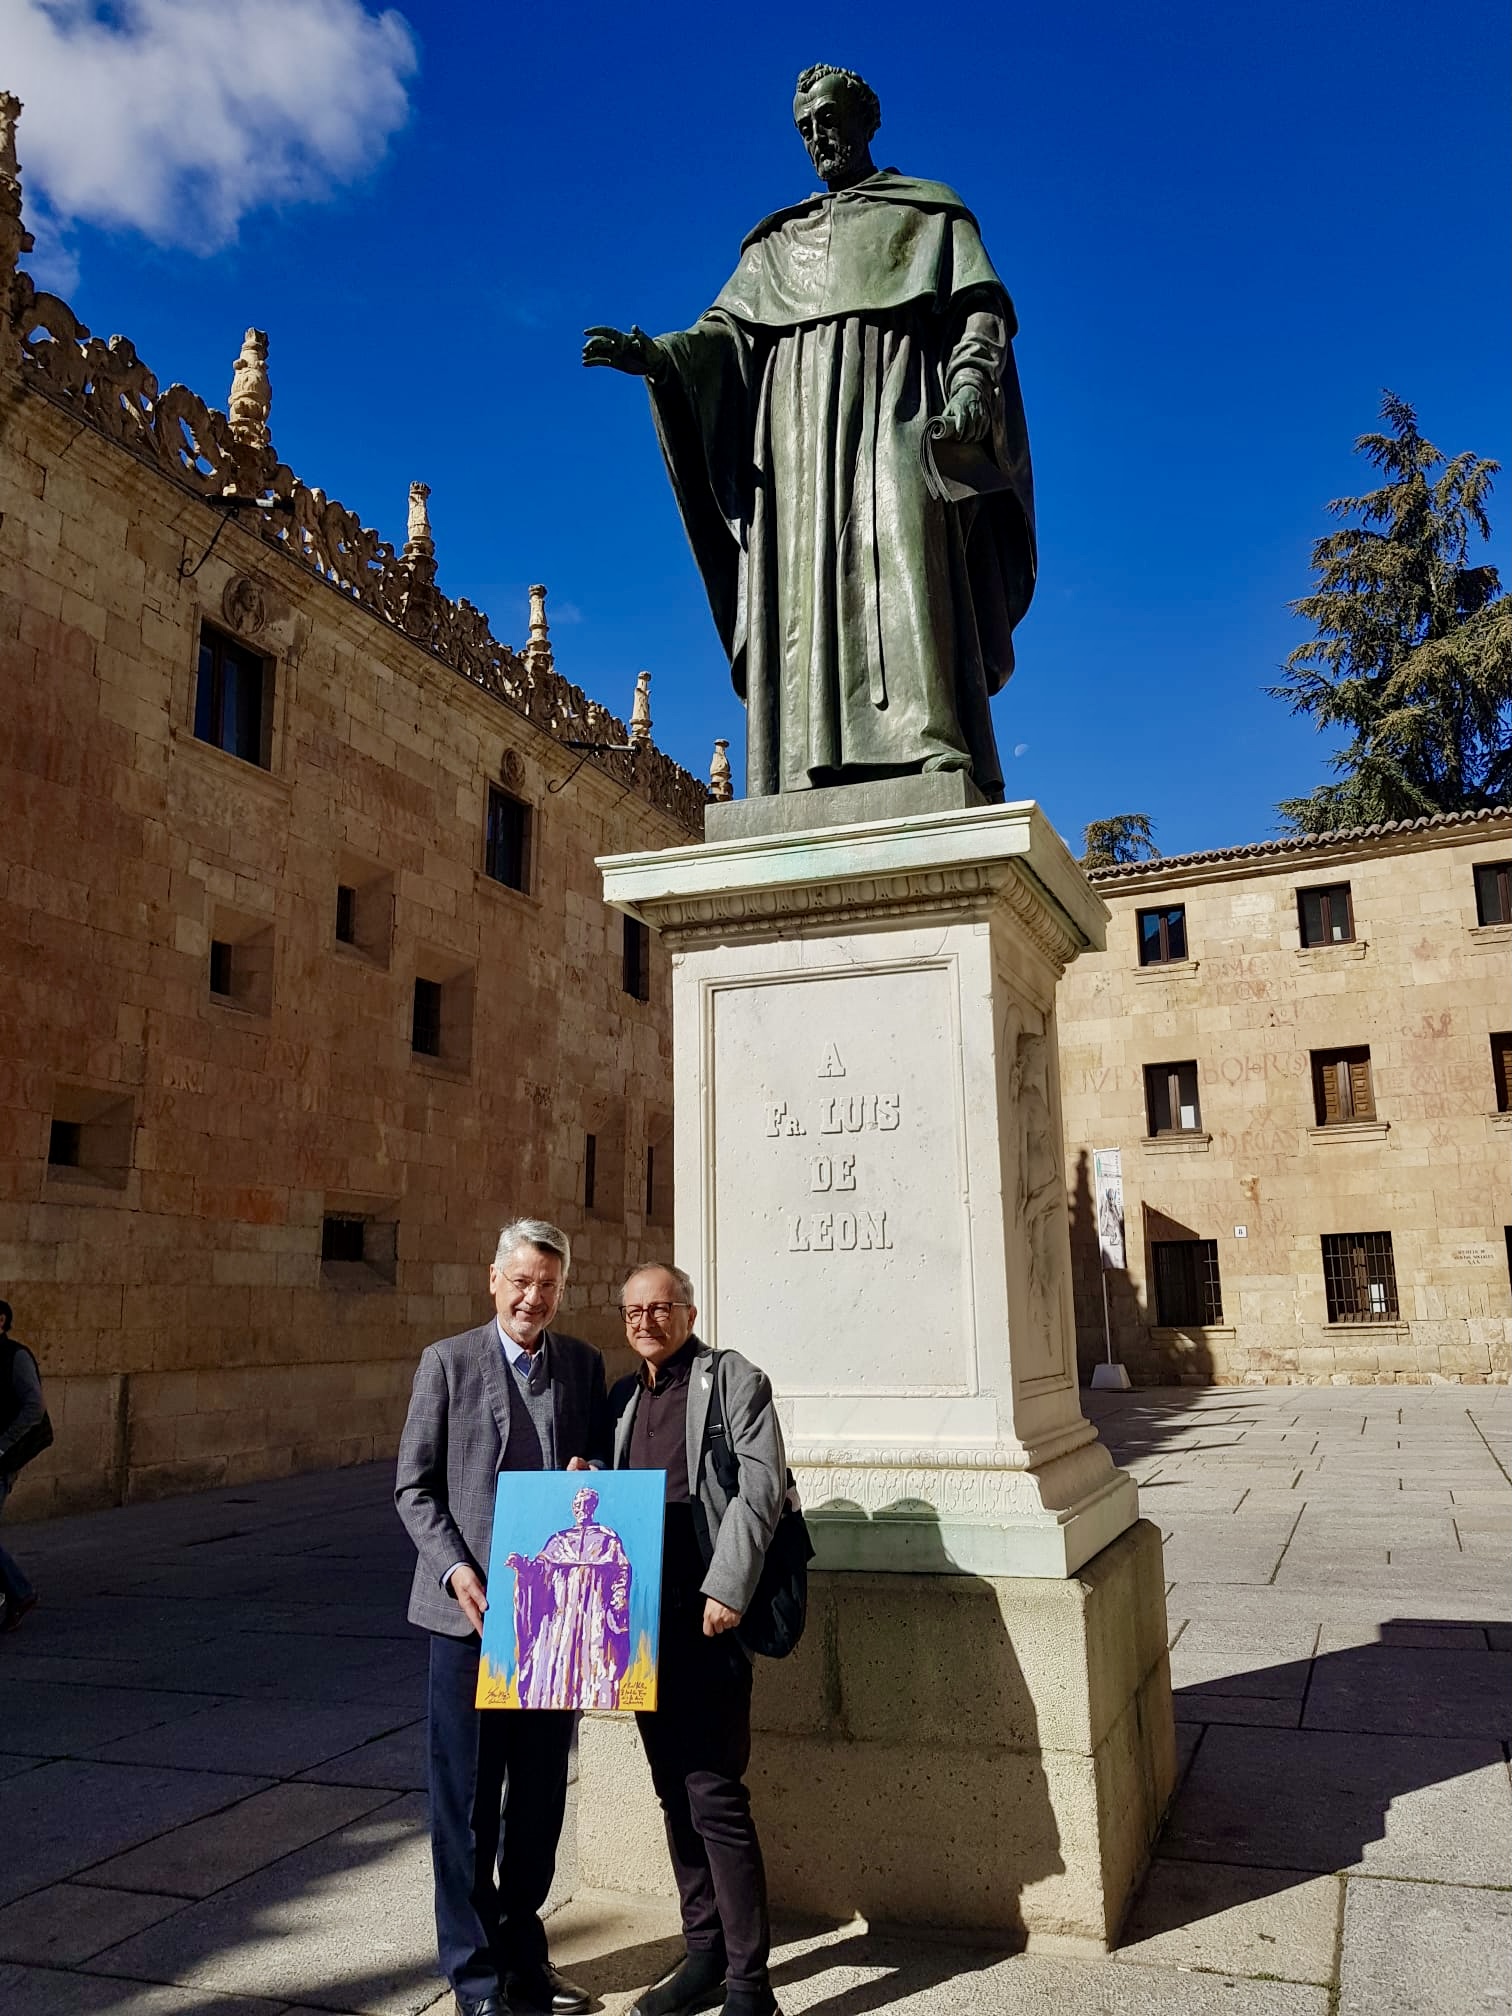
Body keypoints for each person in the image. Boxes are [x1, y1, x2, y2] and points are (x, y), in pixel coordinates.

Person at [584, 62, 1035, 802]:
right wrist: (660, 358)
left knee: (906, 555)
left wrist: (968, 388)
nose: (818, 137)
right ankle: (801, 760)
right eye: (805, 128)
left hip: (898, 413)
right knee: (803, 590)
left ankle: (929, 742)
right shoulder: (775, 244)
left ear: (865, 119)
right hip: (795, 443)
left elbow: (979, 312)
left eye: (829, 119)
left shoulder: (929, 214)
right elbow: (723, 336)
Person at [396, 1220, 610, 2016]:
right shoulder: (447, 1364)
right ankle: (473, 1975)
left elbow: (603, 1469)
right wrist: (456, 1569)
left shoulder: (582, 1366)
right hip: (470, 1623)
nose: (532, 1298)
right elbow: (414, 1488)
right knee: (466, 1805)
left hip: (553, 1625)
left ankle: (525, 1956)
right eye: (521, 1282)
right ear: (493, 1280)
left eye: (547, 1285)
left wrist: (594, 1471)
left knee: (540, 1799)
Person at [612, 1264, 787, 2016]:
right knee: (672, 1790)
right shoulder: (623, 1399)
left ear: (687, 1311)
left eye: (660, 1308)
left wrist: (729, 1587)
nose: (646, 1321)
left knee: (714, 1794)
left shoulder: (733, 1380)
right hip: (643, 1621)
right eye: (633, 1312)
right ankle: (704, 1953)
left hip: (708, 1613)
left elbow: (762, 1486)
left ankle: (751, 1986)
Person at [507, 1483, 631, 1710]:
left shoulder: (607, 1540)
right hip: (560, 1616)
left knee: (594, 1660)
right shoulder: (558, 1541)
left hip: (593, 1610)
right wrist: (524, 1567)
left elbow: (621, 1572)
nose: (581, 1508)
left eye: (586, 1504)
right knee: (557, 1663)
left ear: (593, 1507)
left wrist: (619, 1599)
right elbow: (540, 1571)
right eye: (577, 1505)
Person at [0, 1299, 45, 1634]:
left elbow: (34, 1407)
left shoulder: (15, 1356)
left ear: (1, 1321)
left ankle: (19, 1591)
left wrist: (2, 1444)